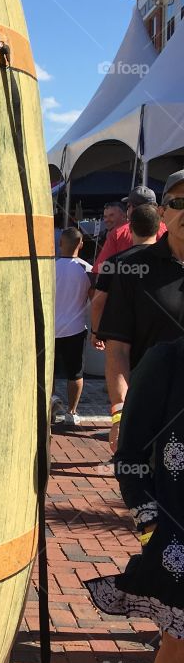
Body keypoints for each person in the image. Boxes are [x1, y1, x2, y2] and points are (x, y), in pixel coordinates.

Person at [86, 335, 184, 663]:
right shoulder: (168, 359)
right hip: (177, 530)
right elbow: (129, 457)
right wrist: (151, 528)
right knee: (179, 639)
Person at [99, 169, 184, 451]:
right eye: (178, 203)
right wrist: (120, 414)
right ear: (162, 212)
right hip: (153, 418)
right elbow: (118, 350)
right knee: (150, 492)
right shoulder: (133, 270)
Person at [89, 201, 161, 350]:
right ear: (158, 228)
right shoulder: (173, 263)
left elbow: (98, 302)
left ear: (129, 228)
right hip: (162, 338)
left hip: (122, 337)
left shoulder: (112, 263)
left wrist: (96, 332)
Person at [52, 227, 92, 425]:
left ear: (60, 244)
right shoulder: (88, 269)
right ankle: (71, 412)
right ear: (82, 245)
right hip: (75, 328)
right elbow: (94, 299)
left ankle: (48, 405)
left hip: (50, 330)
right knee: (75, 373)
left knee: (47, 371)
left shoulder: (50, 267)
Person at [93, 201, 129, 273]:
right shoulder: (104, 236)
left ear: (124, 216)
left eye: (111, 215)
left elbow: (100, 270)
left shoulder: (131, 233)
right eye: (105, 217)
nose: (107, 220)